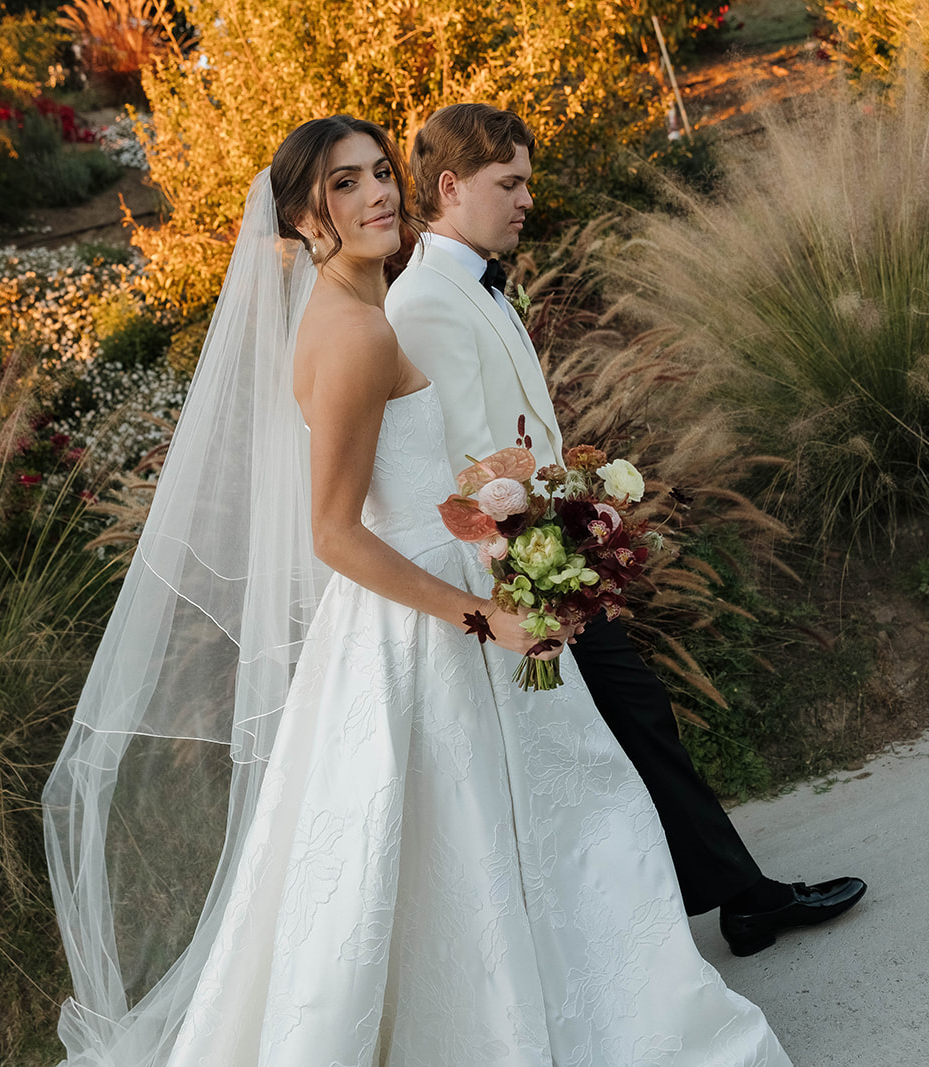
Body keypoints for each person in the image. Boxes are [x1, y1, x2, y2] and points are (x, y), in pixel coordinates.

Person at [43, 115, 792, 1066]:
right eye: (345, 184)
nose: (377, 194)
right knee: (524, 827)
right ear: (304, 218)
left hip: (432, 590)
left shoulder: (353, 310)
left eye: (380, 172)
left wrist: (511, 518)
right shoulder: (356, 332)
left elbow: (403, 489)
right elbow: (333, 532)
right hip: (426, 620)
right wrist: (484, 616)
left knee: (490, 837)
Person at [385, 102, 867, 957]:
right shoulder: (424, 298)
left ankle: (731, 901)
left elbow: (521, 431)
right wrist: (547, 560)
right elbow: (469, 460)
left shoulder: (475, 279)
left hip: (551, 551)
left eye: (527, 182)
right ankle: (669, 923)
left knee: (630, 721)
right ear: (450, 187)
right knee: (603, 735)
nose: (527, 199)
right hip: (516, 571)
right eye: (510, 183)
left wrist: (583, 518)